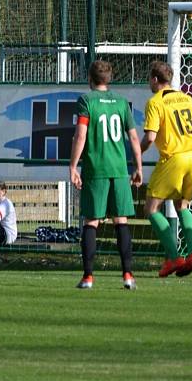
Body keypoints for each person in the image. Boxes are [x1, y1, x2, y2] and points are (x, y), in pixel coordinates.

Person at [69, 60, 143, 290]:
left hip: (96, 169)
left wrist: (72, 166)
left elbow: (80, 136)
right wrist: (138, 167)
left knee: (92, 221)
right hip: (120, 170)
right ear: (109, 79)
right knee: (121, 221)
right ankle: (128, 276)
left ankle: (88, 277)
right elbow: (132, 137)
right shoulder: (121, 102)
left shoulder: (86, 100)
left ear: (90, 79)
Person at [140, 60, 192, 278]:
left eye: (150, 78)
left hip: (174, 157)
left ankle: (174, 257)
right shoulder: (186, 98)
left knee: (151, 208)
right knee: (182, 205)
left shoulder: (155, 102)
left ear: (155, 79)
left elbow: (150, 138)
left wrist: (135, 154)